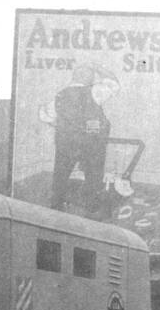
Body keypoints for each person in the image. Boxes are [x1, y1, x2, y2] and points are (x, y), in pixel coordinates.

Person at [43, 64, 120, 217]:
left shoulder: (60, 95)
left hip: (66, 142)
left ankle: (56, 206)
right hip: (91, 143)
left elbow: (46, 116)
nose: (93, 78)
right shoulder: (95, 90)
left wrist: (64, 125)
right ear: (88, 77)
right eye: (92, 75)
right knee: (93, 174)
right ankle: (92, 206)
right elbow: (114, 83)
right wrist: (98, 66)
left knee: (61, 174)